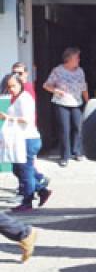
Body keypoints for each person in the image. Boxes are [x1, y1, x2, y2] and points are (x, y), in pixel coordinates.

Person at [2, 74, 53, 212]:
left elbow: (26, 119)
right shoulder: (16, 98)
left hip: (28, 139)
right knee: (18, 169)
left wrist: (8, 117)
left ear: (20, 84)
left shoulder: (24, 99)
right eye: (9, 86)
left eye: (13, 86)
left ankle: (27, 201)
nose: (11, 89)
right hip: (19, 139)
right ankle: (42, 190)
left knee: (25, 171)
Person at [43, 47, 89, 167]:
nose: (79, 60)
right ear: (68, 59)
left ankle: (77, 151)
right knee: (64, 129)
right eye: (76, 57)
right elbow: (46, 85)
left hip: (76, 102)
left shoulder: (80, 71)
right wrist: (56, 90)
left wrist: (88, 101)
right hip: (62, 103)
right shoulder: (58, 71)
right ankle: (64, 156)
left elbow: (84, 87)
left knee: (78, 127)